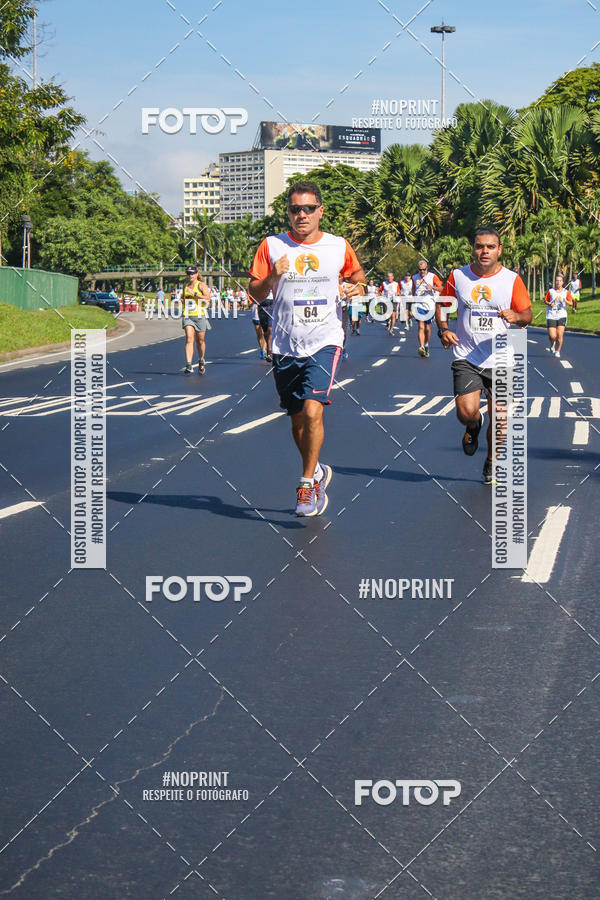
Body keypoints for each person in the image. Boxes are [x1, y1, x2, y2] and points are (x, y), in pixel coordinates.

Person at [249, 180, 366, 516]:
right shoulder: (271, 246)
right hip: (285, 344)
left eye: (308, 208)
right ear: (288, 213)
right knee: (297, 421)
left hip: (325, 339)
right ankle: (316, 471)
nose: (301, 215)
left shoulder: (337, 246)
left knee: (314, 410)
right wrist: (272, 276)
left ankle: (304, 486)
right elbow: (254, 294)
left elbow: (358, 276)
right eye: (295, 209)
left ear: (320, 211)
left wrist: (356, 288)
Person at [436, 227, 532, 484]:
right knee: (466, 412)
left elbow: (527, 315)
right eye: (480, 246)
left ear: (499, 250)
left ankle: (492, 461)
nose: (485, 251)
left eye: (490, 246)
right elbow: (442, 306)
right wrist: (443, 329)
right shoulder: (458, 276)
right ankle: (472, 426)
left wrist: (517, 317)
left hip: (501, 358)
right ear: (474, 249)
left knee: (500, 417)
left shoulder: (512, 280)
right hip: (467, 356)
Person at [181, 265, 211, 375]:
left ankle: (201, 359)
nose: (190, 275)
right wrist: (183, 300)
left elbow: (207, 298)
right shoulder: (185, 286)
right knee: (189, 338)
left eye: (192, 273)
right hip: (188, 315)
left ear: (197, 274)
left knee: (200, 340)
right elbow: (183, 297)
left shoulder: (201, 285)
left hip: (199, 316)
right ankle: (189, 364)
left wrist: (194, 294)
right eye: (189, 273)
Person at [412, 260, 443, 357]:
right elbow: (414, 289)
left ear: (427, 268)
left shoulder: (432, 276)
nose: (422, 272)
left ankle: (426, 345)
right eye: (420, 270)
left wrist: (433, 287)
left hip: (430, 305)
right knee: (421, 326)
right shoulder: (415, 277)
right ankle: (421, 347)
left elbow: (442, 288)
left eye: (424, 269)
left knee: (427, 328)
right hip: (419, 305)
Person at [545, 273, 573, 358]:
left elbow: (571, 303)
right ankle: (552, 344)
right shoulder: (551, 291)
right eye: (557, 281)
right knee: (552, 336)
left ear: (563, 282)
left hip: (562, 315)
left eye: (560, 281)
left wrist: (565, 301)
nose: (558, 282)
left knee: (560, 334)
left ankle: (558, 350)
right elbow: (546, 300)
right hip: (551, 315)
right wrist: (550, 304)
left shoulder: (566, 292)